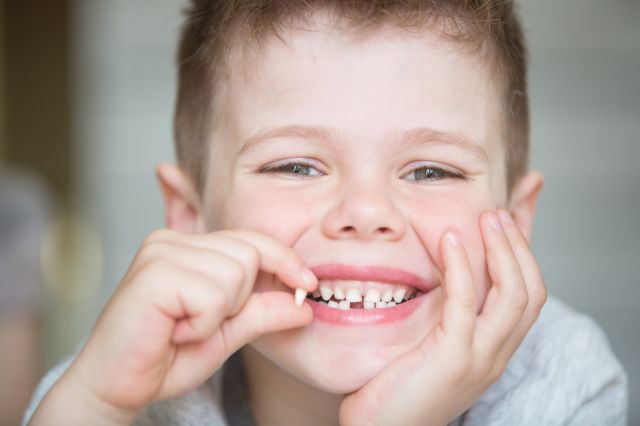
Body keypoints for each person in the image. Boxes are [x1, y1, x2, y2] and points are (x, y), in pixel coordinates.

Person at [23, 1, 628, 424]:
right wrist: (95, 407)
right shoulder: (122, 386)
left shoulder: (563, 382)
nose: (365, 213)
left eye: (430, 170)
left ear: (515, 223)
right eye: (296, 166)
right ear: (191, 214)